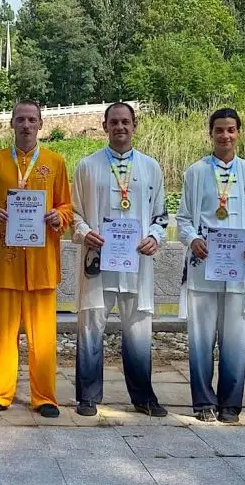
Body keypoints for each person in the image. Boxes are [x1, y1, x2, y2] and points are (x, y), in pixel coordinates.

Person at [71, 102, 168, 418]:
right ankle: (87, 396)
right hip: (98, 262)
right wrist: (85, 233)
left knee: (139, 330)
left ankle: (143, 397)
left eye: (126, 122)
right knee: (90, 329)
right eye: (114, 122)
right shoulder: (87, 166)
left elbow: (161, 215)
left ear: (134, 125)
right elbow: (73, 213)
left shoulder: (151, 167)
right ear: (104, 126)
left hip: (137, 264)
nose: (120, 127)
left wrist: (155, 237)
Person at [0, 100, 71, 419]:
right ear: (11, 124)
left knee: (43, 337)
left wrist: (58, 218)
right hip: (6, 263)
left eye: (32, 119)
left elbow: (66, 207)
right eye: (20, 119)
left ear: (41, 124)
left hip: (42, 264)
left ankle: (44, 396)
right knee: (1, 335)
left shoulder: (55, 162)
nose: (26, 125)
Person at [176, 108, 245, 424]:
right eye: (219, 130)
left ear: (239, 132)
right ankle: (202, 402)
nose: (225, 135)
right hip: (204, 267)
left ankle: (230, 403)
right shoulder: (196, 172)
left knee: (236, 338)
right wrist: (191, 239)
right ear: (210, 134)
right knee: (200, 337)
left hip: (238, 270)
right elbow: (183, 218)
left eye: (231, 130)